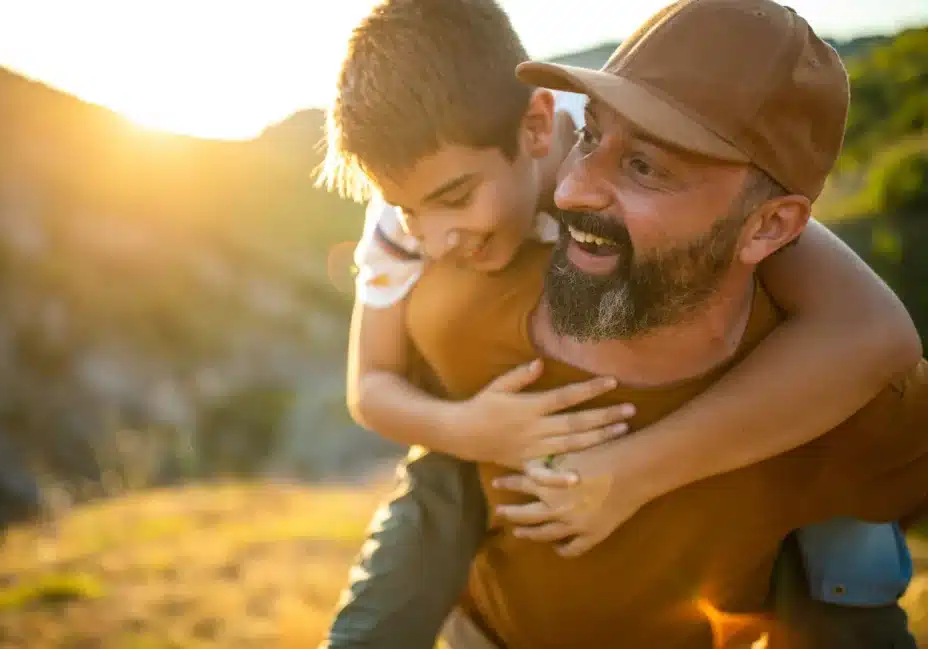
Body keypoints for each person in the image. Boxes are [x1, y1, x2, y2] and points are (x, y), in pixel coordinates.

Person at [317, 1, 922, 647]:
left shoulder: (569, 148)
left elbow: (874, 332)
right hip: (486, 458)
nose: (432, 238)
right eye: (593, 140)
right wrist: (469, 428)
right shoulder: (408, 215)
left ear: (538, 128)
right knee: (438, 474)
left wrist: (634, 469)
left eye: (644, 167)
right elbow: (370, 382)